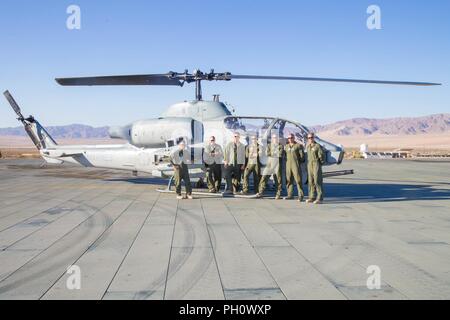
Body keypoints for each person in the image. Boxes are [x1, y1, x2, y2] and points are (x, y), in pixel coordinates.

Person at [257, 133, 284, 199]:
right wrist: (275, 152)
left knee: (278, 179)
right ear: (272, 139)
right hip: (270, 163)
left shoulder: (280, 146)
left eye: (276, 138)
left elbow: (280, 154)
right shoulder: (269, 145)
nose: (275, 139)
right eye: (273, 138)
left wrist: (272, 153)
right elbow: (267, 153)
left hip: (277, 164)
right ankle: (260, 192)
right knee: (264, 177)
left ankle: (278, 194)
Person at [284, 133, 305, 201]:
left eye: (291, 138)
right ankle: (290, 195)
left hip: (296, 165)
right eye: (289, 138)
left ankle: (301, 195)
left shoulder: (298, 146)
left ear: (294, 138)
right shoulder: (286, 146)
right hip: (288, 165)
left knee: (298, 180)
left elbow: (302, 157)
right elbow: (285, 156)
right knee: (289, 180)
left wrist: (298, 162)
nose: (290, 139)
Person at [305, 132, 325, 204]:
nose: (310, 139)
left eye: (311, 137)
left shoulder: (317, 146)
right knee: (310, 181)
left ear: (314, 138)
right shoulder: (308, 146)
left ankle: (320, 198)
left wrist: (320, 163)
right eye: (309, 138)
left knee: (317, 180)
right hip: (309, 164)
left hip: (316, 163)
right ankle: (312, 197)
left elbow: (321, 156)